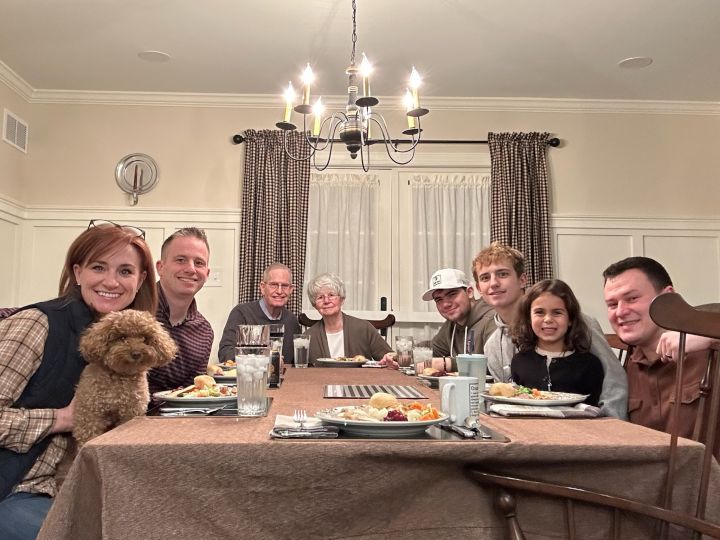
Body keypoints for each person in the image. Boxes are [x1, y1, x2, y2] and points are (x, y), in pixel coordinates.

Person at [0, 220, 157, 539]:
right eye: (98, 267)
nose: (111, 281)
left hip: (87, 483)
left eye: (125, 271)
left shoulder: (127, 345)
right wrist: (62, 418)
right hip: (21, 487)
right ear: (77, 272)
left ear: (140, 280)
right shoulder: (36, 324)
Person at [474, 241, 628, 419]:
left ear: (522, 280)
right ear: (479, 289)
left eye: (503, 274)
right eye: (485, 278)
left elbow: (614, 379)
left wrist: (611, 425)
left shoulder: (582, 323)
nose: (494, 283)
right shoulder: (493, 345)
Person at [603, 256, 717, 455]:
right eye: (612, 304)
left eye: (632, 298)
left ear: (668, 298)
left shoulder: (709, 349)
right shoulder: (621, 370)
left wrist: (710, 337)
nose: (620, 312)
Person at [511, 279, 604, 406]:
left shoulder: (590, 365)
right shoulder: (519, 361)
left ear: (570, 318)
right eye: (539, 312)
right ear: (529, 318)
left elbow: (594, 410)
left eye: (557, 312)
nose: (548, 319)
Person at [147, 227, 214, 395]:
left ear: (207, 273)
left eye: (199, 263)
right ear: (160, 267)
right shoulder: (133, 311)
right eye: (180, 260)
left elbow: (191, 395)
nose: (191, 269)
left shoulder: (204, 333)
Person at [218, 263, 300, 364]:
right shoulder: (242, 313)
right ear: (262, 287)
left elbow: (296, 363)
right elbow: (225, 353)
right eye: (274, 285)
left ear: (291, 290)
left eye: (285, 286)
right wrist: (263, 359)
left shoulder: (292, 320)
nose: (279, 291)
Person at [305, 273, 393, 364]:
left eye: (331, 295)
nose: (326, 301)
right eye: (320, 297)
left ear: (342, 299)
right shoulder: (308, 337)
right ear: (314, 305)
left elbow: (390, 358)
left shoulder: (363, 328)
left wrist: (390, 360)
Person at [423, 268, 496, 369]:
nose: (446, 304)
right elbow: (434, 352)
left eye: (452, 294)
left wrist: (448, 364)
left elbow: (497, 366)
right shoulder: (451, 325)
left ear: (469, 292)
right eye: (439, 299)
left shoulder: (492, 320)